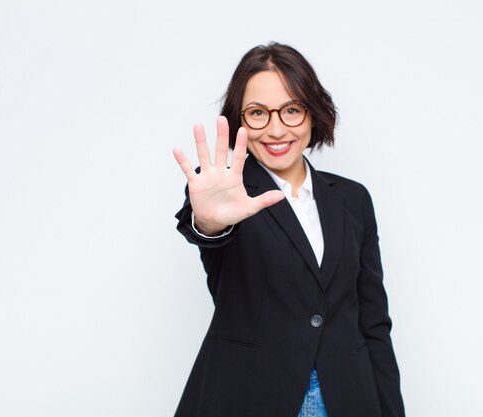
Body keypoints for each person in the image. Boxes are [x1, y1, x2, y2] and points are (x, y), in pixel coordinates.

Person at [172, 42, 405, 417]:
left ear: (313, 115)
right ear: (240, 121)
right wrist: (210, 222)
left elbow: (374, 323)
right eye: (258, 113)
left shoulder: (352, 199)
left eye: (292, 110)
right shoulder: (225, 194)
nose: (277, 129)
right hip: (249, 395)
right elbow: (208, 229)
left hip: (348, 396)